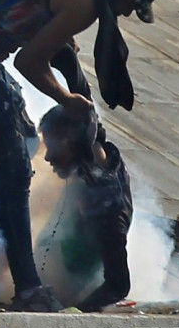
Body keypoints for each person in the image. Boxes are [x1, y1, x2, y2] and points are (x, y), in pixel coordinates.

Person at [0, 0, 163, 311]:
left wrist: (75, 81)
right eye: (131, 2)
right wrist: (65, 98)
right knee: (15, 168)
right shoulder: (84, 1)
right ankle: (27, 290)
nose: (128, 12)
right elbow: (28, 60)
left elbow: (49, 37)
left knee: (21, 143)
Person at [37, 105, 133, 312]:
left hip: (78, 290)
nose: (47, 157)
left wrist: (75, 311)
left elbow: (118, 285)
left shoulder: (108, 208)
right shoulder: (90, 175)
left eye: (53, 146)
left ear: (73, 143)